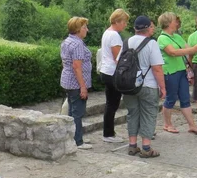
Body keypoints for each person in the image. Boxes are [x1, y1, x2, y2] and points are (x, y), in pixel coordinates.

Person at [121, 16, 166, 158]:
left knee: (132, 113)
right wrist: (163, 88)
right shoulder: (151, 44)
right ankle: (146, 148)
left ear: (135, 28)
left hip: (128, 85)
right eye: (152, 26)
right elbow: (157, 68)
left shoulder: (127, 42)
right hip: (148, 85)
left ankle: (132, 146)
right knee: (149, 114)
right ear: (148, 28)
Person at [157, 12, 197, 135]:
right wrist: (193, 49)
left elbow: (187, 48)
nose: (177, 22)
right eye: (174, 20)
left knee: (185, 98)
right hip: (170, 72)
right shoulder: (162, 38)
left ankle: (192, 125)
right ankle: (167, 124)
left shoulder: (177, 36)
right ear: (168, 23)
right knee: (171, 98)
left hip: (181, 71)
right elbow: (173, 52)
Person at [60, 17, 93, 150]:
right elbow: (77, 66)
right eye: (85, 27)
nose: (87, 30)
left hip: (67, 80)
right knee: (77, 112)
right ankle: (78, 141)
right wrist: (83, 86)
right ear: (78, 29)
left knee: (71, 111)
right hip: (75, 83)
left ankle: (73, 136)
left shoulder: (67, 41)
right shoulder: (77, 44)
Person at [98, 9, 130, 143]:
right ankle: (108, 134)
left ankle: (108, 132)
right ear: (117, 21)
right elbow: (118, 57)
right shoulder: (115, 36)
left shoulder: (107, 32)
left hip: (105, 70)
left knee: (110, 103)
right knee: (113, 104)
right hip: (112, 72)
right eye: (124, 22)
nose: (125, 25)